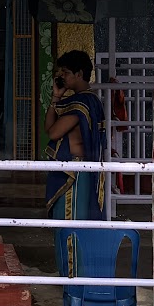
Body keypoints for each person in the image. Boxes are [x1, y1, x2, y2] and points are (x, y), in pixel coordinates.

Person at [43, 49, 107, 222]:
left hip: (74, 172)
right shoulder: (91, 100)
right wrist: (56, 97)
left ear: (79, 74)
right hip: (81, 170)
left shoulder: (80, 103)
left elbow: (54, 133)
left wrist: (57, 99)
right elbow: (48, 129)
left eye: (66, 72)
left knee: (70, 223)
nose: (61, 76)